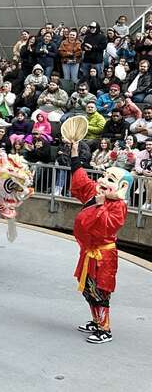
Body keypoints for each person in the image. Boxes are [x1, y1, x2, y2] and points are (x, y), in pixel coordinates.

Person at [68, 138, 132, 344]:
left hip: (103, 255)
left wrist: (100, 206)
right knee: (88, 288)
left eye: (110, 180)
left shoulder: (118, 206)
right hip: (89, 252)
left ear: (121, 186)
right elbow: (81, 179)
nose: (103, 181)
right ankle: (96, 321)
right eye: (104, 176)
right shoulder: (97, 194)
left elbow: (107, 226)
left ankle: (105, 328)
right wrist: (75, 150)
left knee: (101, 290)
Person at [134, 140, 152, 211]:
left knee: (149, 181)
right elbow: (137, 166)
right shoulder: (141, 153)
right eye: (147, 144)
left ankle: (148, 202)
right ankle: (127, 198)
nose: (148, 146)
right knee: (130, 174)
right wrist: (143, 171)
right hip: (143, 173)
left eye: (150, 144)